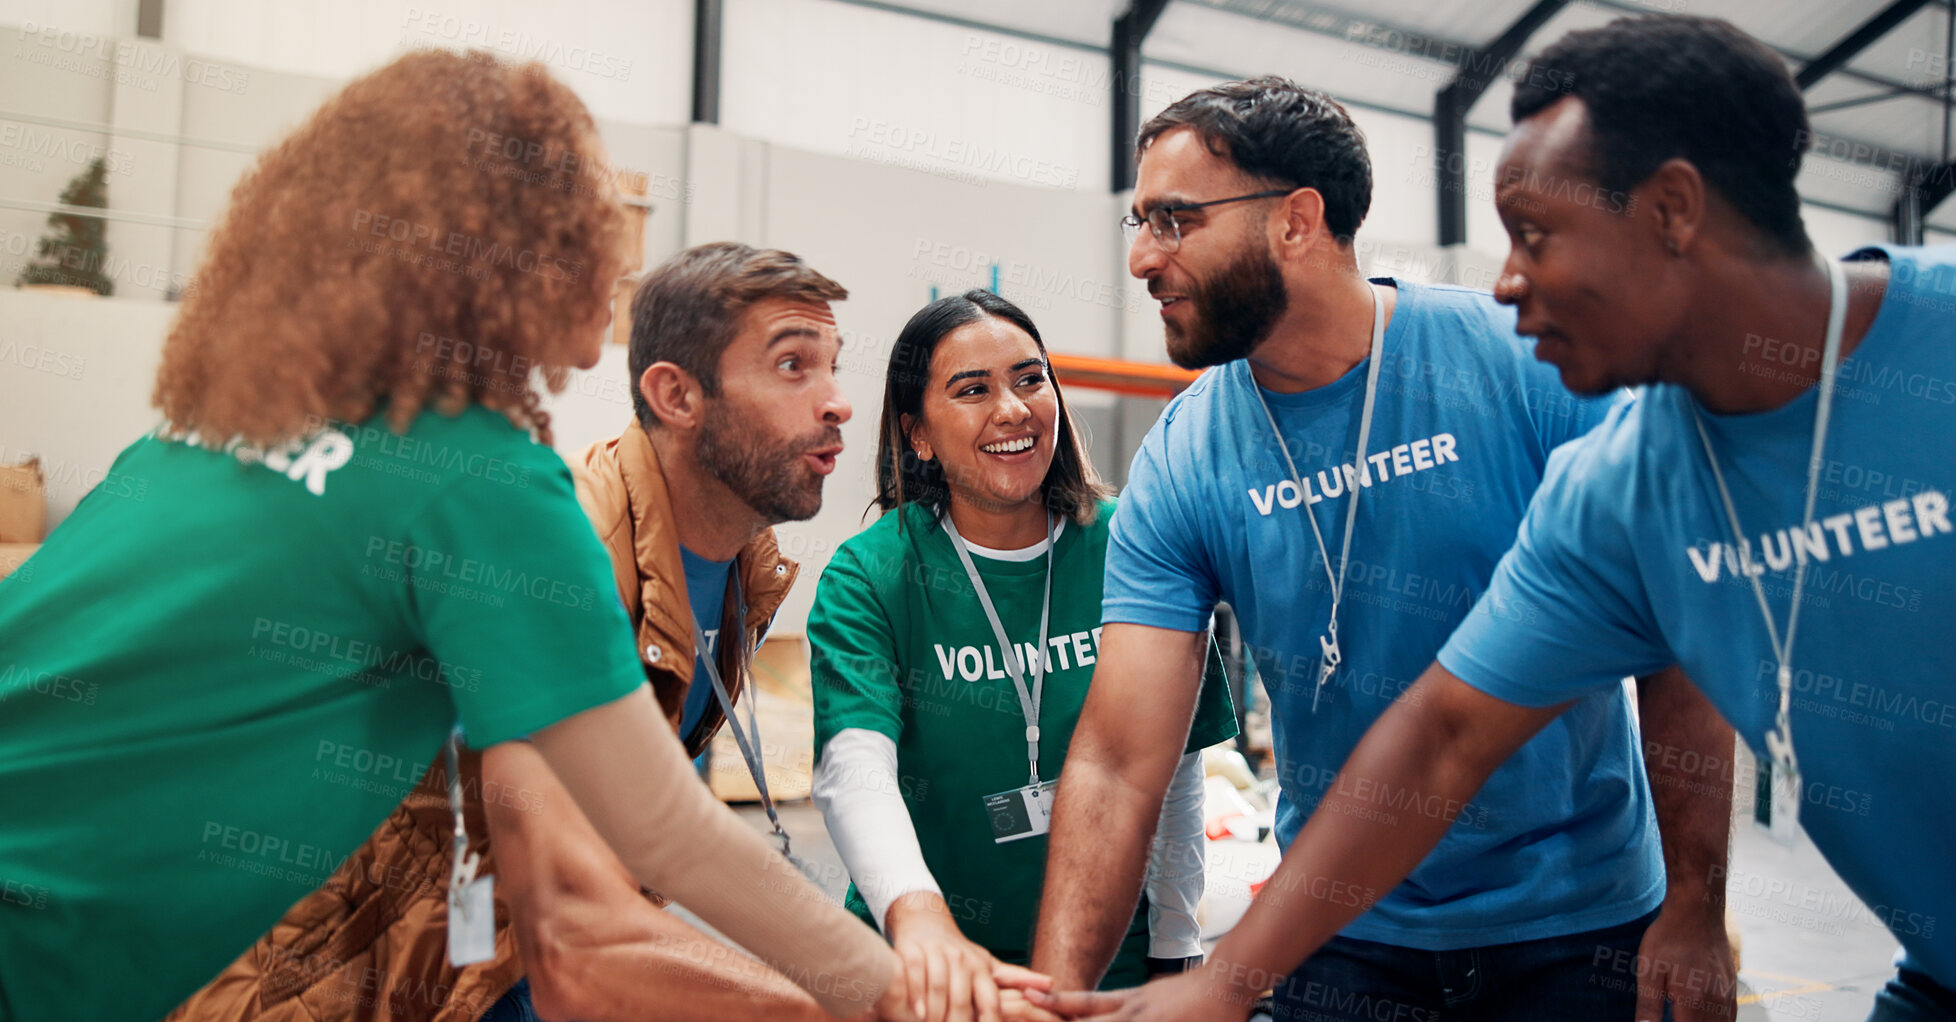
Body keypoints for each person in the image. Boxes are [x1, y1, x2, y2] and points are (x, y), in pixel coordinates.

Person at [1031, 17, 1956, 1022]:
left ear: (1674, 210)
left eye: (1537, 236)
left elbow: (1654, 676)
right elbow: (1441, 734)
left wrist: (1695, 898)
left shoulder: (1906, 353)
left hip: (1577, 923)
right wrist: (1218, 980)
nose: (1507, 280)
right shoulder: (1622, 484)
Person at [0, 51, 914, 1022]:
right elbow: (666, 830)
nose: (613, 245)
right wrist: (915, 994)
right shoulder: (478, 480)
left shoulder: (212, 423)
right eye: (587, 210)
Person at [167, 243, 969, 1022]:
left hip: (502, 940)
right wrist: (866, 999)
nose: (838, 400)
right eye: (794, 365)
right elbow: (579, 932)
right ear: (676, 395)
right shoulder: (566, 552)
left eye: (832, 363)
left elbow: (647, 833)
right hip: (362, 965)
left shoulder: (742, 561)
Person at [809, 290, 1237, 1021]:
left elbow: (1178, 765)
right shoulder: (873, 574)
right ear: (918, 435)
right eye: (972, 390)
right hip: (935, 975)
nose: (1011, 409)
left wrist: (1174, 945)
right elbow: (854, 768)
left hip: (1113, 969)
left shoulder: (1128, 546)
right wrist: (920, 923)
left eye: (1030, 379)